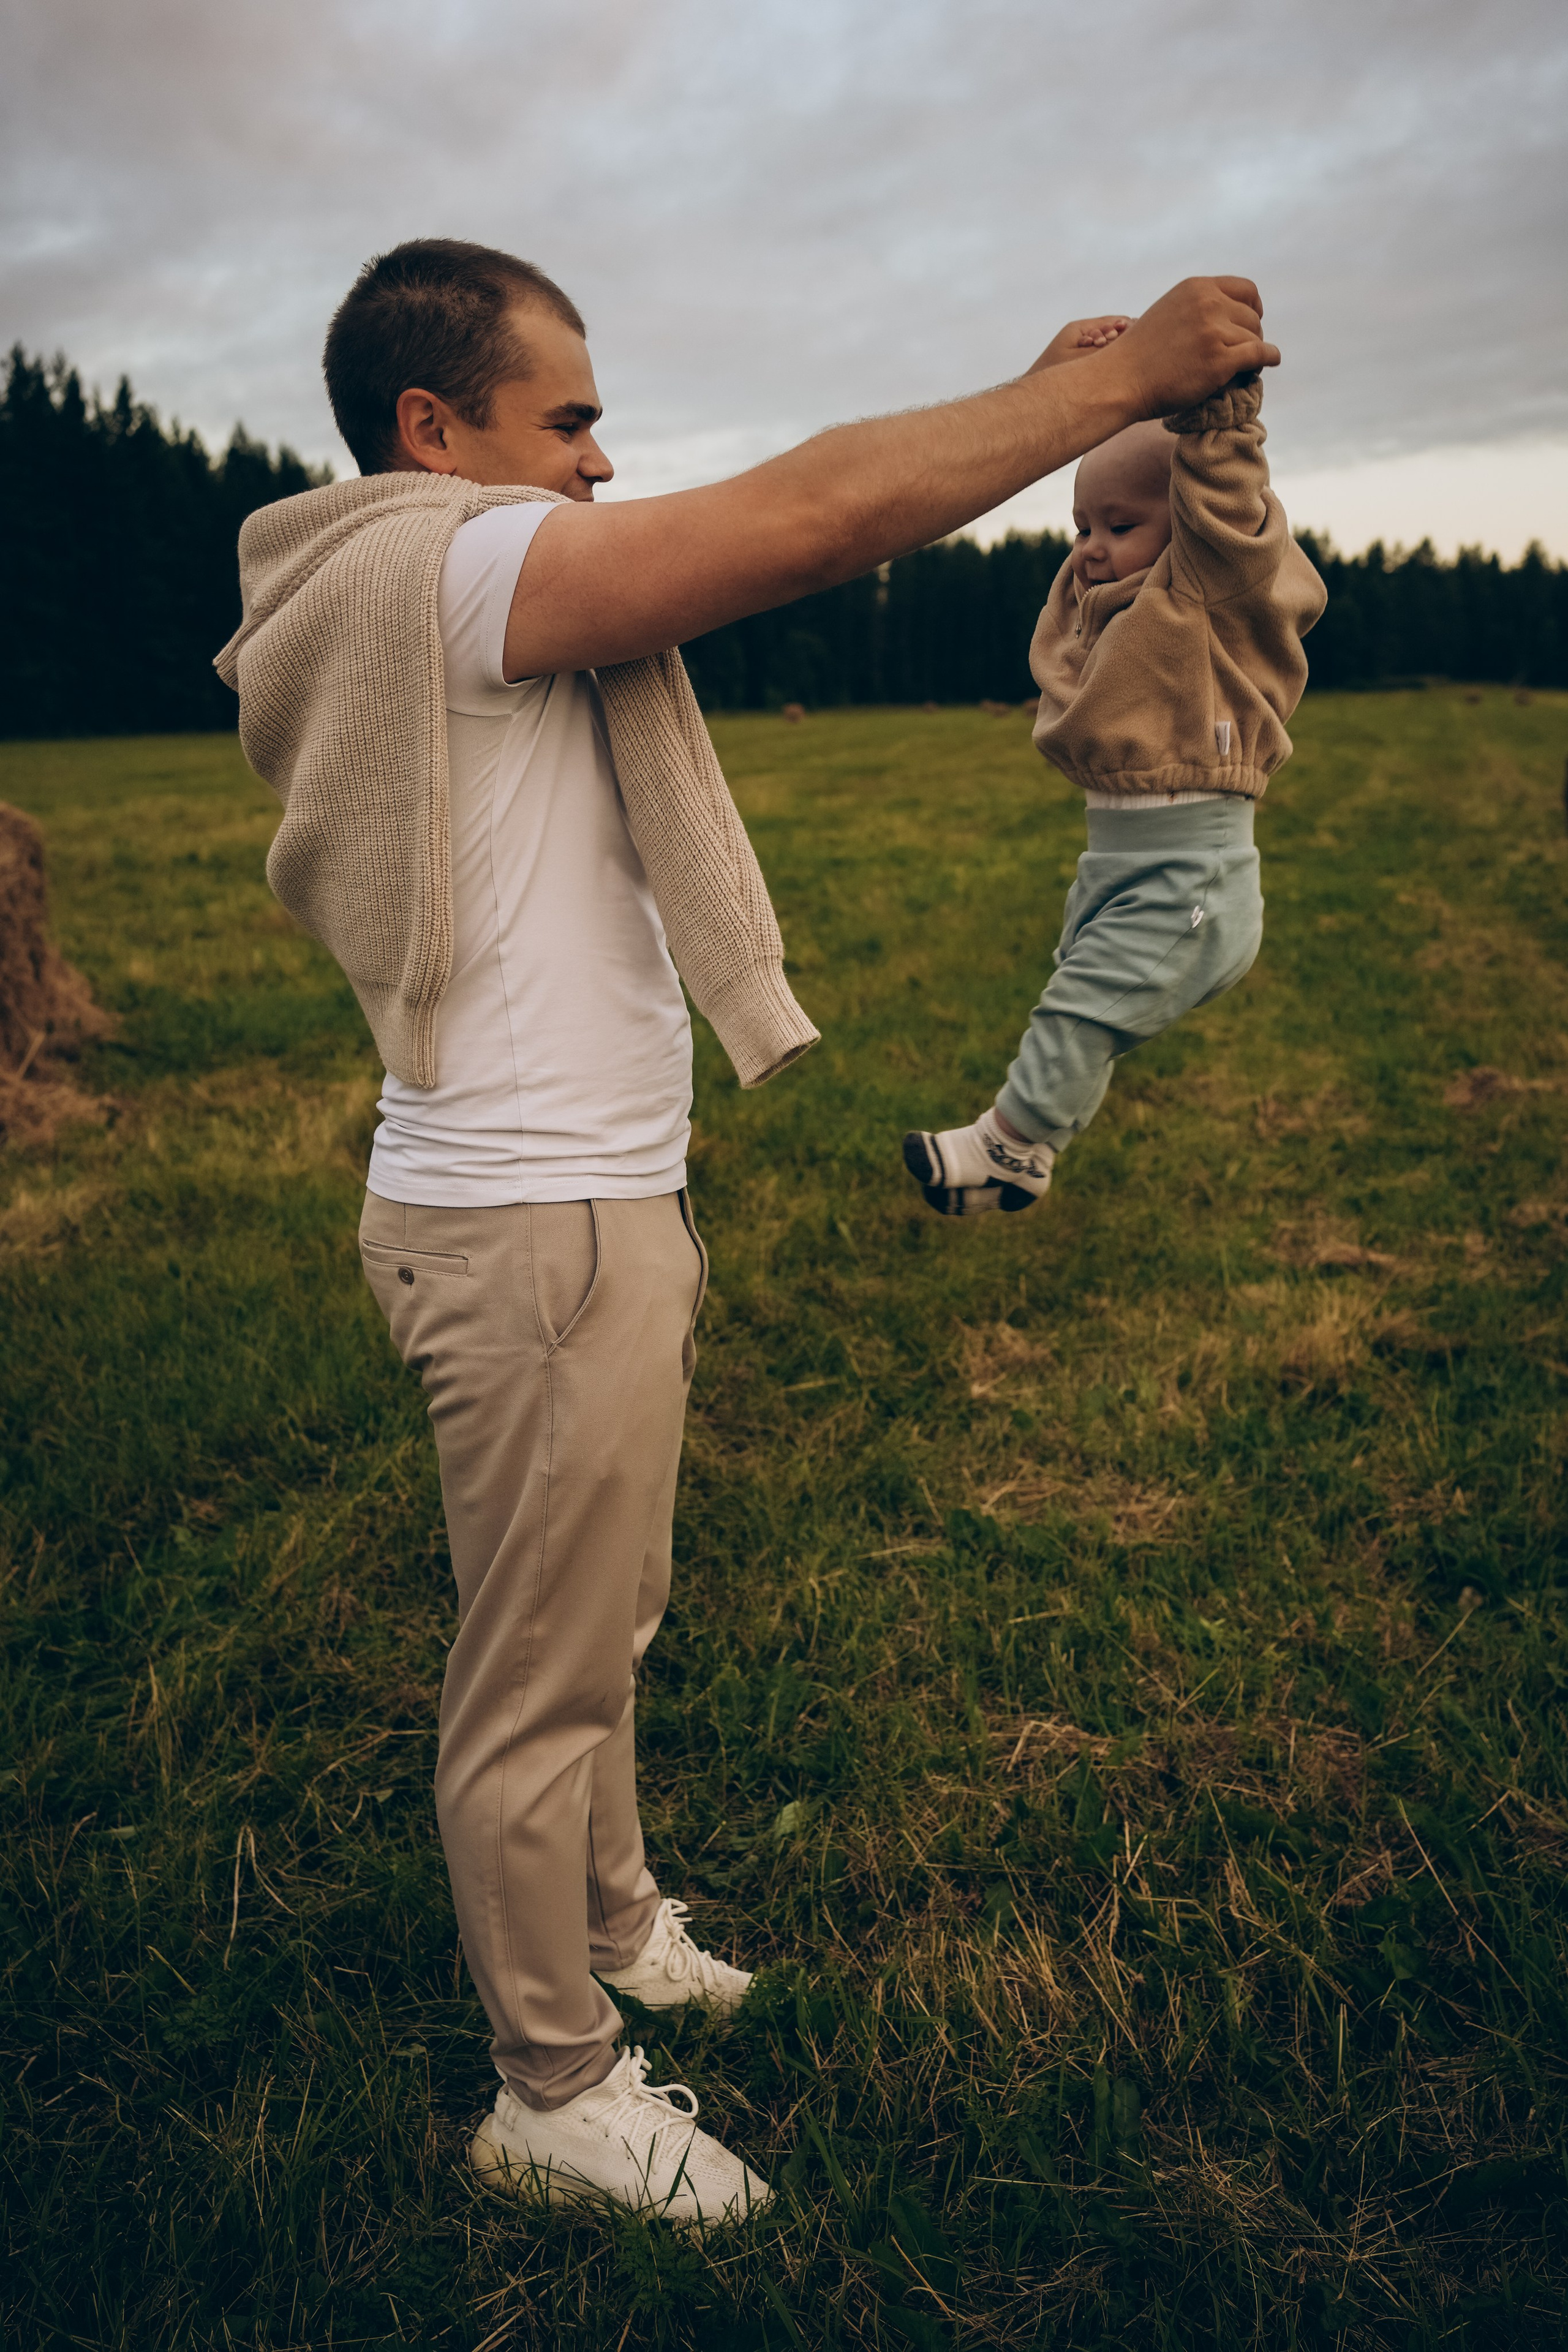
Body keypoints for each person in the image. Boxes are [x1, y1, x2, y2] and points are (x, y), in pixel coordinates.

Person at [216, 239, 1278, 2223]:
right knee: (535, 1675)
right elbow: (807, 521)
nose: (606, 467)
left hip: (579, 1214)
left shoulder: (451, 581)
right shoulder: (449, 564)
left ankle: (611, 1922)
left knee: (595, 1615)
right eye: (576, 420)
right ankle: (554, 2087)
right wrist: (1101, 386)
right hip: (537, 1237)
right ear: (435, 431)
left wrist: (1059, 384)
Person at [902, 353, 1325, 1216]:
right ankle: (1032, 1146)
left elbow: (1227, 500)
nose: (1091, 549)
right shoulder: (1117, 611)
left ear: (1187, 526)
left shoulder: (1211, 585)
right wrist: (1115, 385)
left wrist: (1218, 410)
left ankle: (1011, 1146)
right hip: (1120, 863)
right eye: (1081, 526)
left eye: (1119, 526)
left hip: (1189, 877)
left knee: (1078, 1011)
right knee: (1080, 999)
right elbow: (1080, 622)